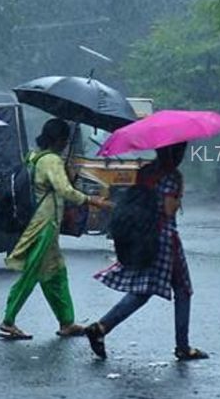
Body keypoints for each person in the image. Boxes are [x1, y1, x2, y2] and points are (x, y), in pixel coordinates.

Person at [86, 142, 208, 361]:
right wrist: (179, 196)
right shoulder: (173, 176)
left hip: (144, 235)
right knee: (183, 290)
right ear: (176, 152)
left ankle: (101, 327)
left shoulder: (145, 171)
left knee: (143, 291)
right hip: (165, 238)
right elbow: (169, 209)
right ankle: (183, 346)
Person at [0, 118, 111, 340]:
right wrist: (92, 200)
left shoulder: (35, 156)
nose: (66, 144)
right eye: (65, 140)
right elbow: (66, 191)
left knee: (56, 273)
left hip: (44, 223)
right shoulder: (51, 160)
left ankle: (66, 321)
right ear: (59, 139)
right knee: (32, 272)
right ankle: (8, 320)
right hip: (43, 225)